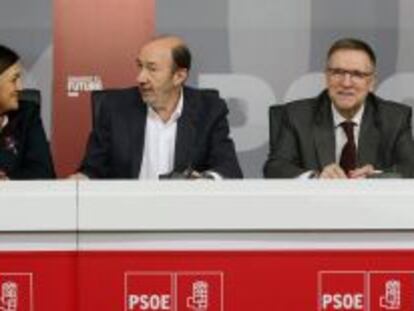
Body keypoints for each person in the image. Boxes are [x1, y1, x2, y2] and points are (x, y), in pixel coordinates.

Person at [73, 35, 242, 179]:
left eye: (152, 69)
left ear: (179, 76)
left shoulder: (209, 109)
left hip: (185, 211)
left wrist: (203, 182)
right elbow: (92, 170)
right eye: (140, 66)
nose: (140, 77)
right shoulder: (115, 107)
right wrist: (81, 179)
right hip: (127, 210)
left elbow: (228, 169)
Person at [264, 38, 414, 179]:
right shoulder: (296, 116)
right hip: (313, 204)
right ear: (327, 77)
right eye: (337, 72)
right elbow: (275, 167)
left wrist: (376, 176)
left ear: (372, 83)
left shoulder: (395, 118)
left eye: (357, 74)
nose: (346, 83)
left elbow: (410, 167)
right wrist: (316, 177)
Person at [0, 44, 55, 180]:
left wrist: (8, 180)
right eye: (14, 80)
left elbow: (44, 173)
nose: (20, 87)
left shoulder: (27, 114)